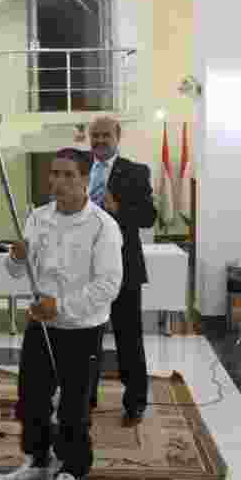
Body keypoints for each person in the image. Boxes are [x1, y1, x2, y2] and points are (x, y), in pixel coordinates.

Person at [3, 148, 123, 480]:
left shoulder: (103, 226)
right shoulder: (38, 218)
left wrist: (63, 306)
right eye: (55, 174)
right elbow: (17, 271)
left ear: (86, 180)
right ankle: (37, 460)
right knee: (32, 398)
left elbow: (108, 285)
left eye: (69, 175)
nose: (59, 182)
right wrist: (16, 257)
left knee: (74, 406)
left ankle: (71, 470)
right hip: (41, 326)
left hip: (81, 328)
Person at [76, 116, 157, 426]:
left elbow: (149, 217)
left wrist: (118, 209)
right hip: (84, 270)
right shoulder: (79, 167)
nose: (98, 141)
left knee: (128, 338)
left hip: (123, 269)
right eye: (94, 136)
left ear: (117, 136)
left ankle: (135, 402)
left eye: (104, 136)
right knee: (86, 338)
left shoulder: (136, 172)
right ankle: (86, 398)